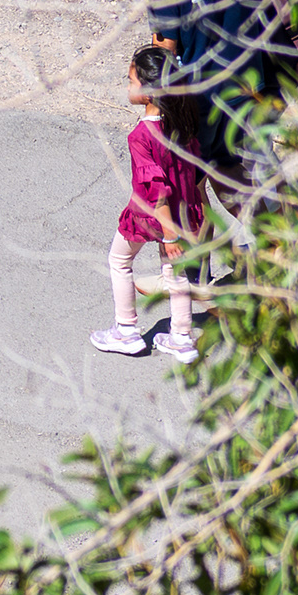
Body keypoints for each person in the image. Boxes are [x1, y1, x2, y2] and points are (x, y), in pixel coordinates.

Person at [142, 0, 286, 189]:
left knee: (187, 184)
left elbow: (164, 51)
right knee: (242, 171)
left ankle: (198, 234)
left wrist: (153, 114)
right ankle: (282, 231)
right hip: (251, 82)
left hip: (200, 98)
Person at [91, 41, 210, 362]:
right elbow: (195, 171)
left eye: (131, 81)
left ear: (148, 91)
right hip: (183, 212)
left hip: (151, 216)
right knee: (176, 272)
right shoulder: (182, 128)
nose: (128, 86)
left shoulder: (141, 137)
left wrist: (169, 234)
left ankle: (126, 331)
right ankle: (182, 337)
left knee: (119, 261)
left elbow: (156, 189)